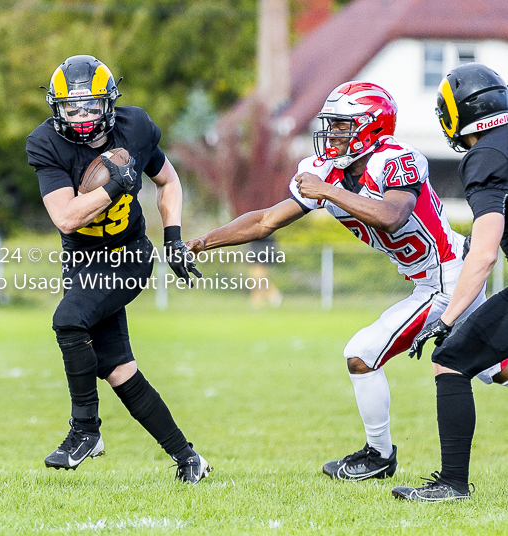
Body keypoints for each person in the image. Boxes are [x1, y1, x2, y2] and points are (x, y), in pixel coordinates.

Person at [187, 81, 504, 482]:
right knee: (492, 371)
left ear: (370, 127)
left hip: (447, 277)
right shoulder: (325, 172)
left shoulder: (396, 159)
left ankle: (379, 456)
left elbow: (393, 215)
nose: (332, 134)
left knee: (362, 353)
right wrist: (199, 243)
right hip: (432, 280)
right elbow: (266, 219)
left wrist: (329, 193)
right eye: (331, 125)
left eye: (341, 125)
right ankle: (380, 455)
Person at [25, 55, 209, 483]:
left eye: (91, 105)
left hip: (129, 255)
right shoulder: (45, 143)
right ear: (57, 108)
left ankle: (85, 431)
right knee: (117, 368)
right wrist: (114, 185)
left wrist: (174, 237)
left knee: (68, 320)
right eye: (73, 107)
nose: (83, 116)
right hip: (83, 261)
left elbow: (169, 181)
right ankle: (189, 459)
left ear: (109, 103)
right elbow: (67, 218)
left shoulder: (136, 127)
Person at [393, 63, 508, 502]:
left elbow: (483, 253)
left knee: (452, 359)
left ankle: (453, 484)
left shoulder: (487, 156)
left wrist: (447, 320)